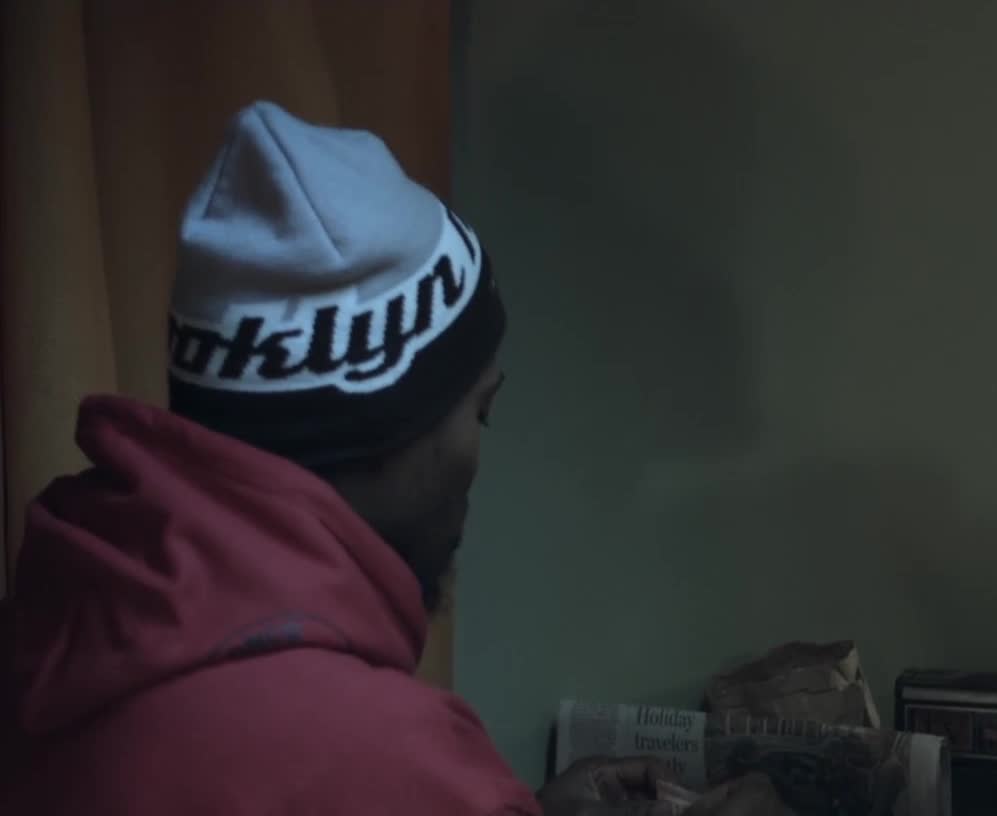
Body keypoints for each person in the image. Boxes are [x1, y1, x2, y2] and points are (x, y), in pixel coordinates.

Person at [0, 101, 771, 815]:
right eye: (481, 411)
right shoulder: (388, 761)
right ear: (385, 430)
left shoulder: (63, 625)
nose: (479, 458)